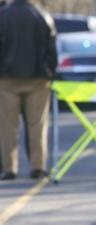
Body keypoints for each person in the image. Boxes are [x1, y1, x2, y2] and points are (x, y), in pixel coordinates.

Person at [0, 0, 57, 180]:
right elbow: (51, 47)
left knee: (7, 127)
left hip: (7, 79)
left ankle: (9, 168)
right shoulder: (42, 16)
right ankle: (37, 167)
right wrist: (49, 70)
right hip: (38, 79)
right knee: (37, 125)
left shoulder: (3, 15)